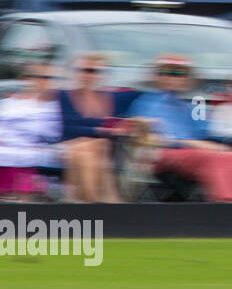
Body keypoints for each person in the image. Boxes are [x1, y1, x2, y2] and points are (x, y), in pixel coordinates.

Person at [124, 54, 232, 202]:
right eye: (168, 73)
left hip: (193, 154)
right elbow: (150, 136)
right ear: (157, 76)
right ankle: (227, 204)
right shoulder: (147, 103)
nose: (175, 78)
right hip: (159, 154)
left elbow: (210, 131)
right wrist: (191, 143)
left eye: (181, 74)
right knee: (218, 157)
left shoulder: (190, 107)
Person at [57, 53, 140, 202]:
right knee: (89, 150)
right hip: (71, 144)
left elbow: (141, 92)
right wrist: (103, 131)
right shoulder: (66, 95)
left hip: (101, 148)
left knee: (94, 149)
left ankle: (88, 201)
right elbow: (68, 127)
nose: (89, 75)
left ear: (103, 74)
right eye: (84, 70)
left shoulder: (111, 98)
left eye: (95, 71)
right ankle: (99, 201)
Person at [0, 62, 64, 200]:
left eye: (47, 77)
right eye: (36, 76)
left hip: (37, 150)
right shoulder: (10, 103)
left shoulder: (54, 106)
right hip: (12, 150)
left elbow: (51, 134)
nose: (42, 81)